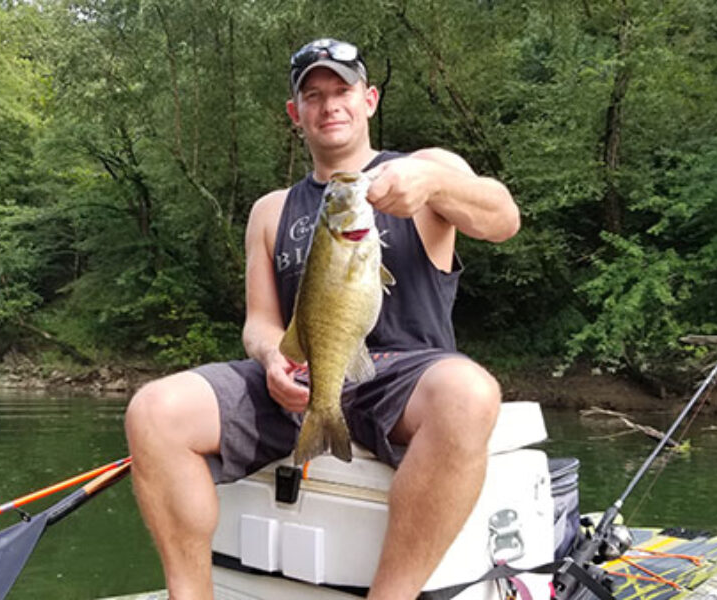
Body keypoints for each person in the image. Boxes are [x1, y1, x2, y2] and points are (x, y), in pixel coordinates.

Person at [125, 37, 520, 600]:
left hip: (404, 378)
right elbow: (261, 324)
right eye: (314, 95)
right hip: (305, 379)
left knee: (471, 393)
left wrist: (433, 183)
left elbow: (503, 218)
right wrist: (270, 360)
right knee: (154, 411)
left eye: (343, 90)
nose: (329, 104)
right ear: (296, 114)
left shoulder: (428, 170)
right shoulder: (270, 210)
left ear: (370, 100)